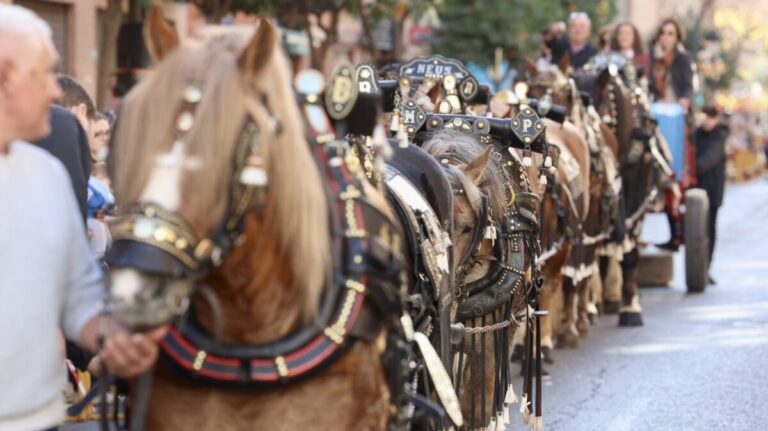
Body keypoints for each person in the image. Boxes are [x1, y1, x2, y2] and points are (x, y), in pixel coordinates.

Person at [0, 5, 162, 430]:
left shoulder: (48, 173)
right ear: (6, 79)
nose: (55, 92)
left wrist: (114, 337)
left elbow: (77, 289)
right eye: (44, 75)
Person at [650, 18, 695, 252]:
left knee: (671, 161)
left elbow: (687, 85)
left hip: (673, 111)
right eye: (664, 33)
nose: (667, 37)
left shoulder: (683, 58)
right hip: (654, 110)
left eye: (671, 33)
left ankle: (675, 232)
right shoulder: (651, 58)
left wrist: (685, 100)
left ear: (677, 37)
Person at [693, 105, 727, 284]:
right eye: (705, 116)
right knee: (696, 230)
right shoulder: (697, 134)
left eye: (710, 117)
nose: (707, 121)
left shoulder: (719, 135)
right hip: (696, 189)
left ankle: (706, 268)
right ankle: (700, 268)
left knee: (709, 230)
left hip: (712, 191)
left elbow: (710, 158)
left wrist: (693, 170)